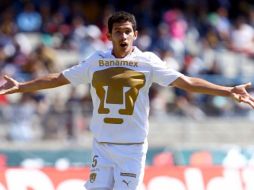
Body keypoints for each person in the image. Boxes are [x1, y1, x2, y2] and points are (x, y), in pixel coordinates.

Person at [0, 11, 254, 190]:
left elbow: (186, 82)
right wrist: (21, 86)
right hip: (102, 145)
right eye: (118, 32)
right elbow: (58, 78)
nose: (123, 36)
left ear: (135, 34)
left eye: (127, 32)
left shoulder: (148, 62)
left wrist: (227, 90)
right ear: (109, 35)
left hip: (132, 148)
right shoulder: (95, 61)